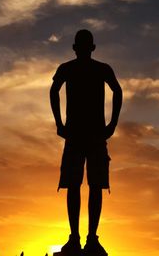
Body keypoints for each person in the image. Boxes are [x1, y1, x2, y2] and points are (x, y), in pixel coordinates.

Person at [50, 29, 122, 255]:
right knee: (77, 185)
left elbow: (118, 91)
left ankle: (89, 238)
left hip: (91, 135)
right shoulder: (70, 69)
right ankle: (78, 238)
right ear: (87, 47)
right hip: (79, 134)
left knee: (94, 186)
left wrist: (112, 124)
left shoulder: (98, 69)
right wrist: (59, 123)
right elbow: (54, 91)